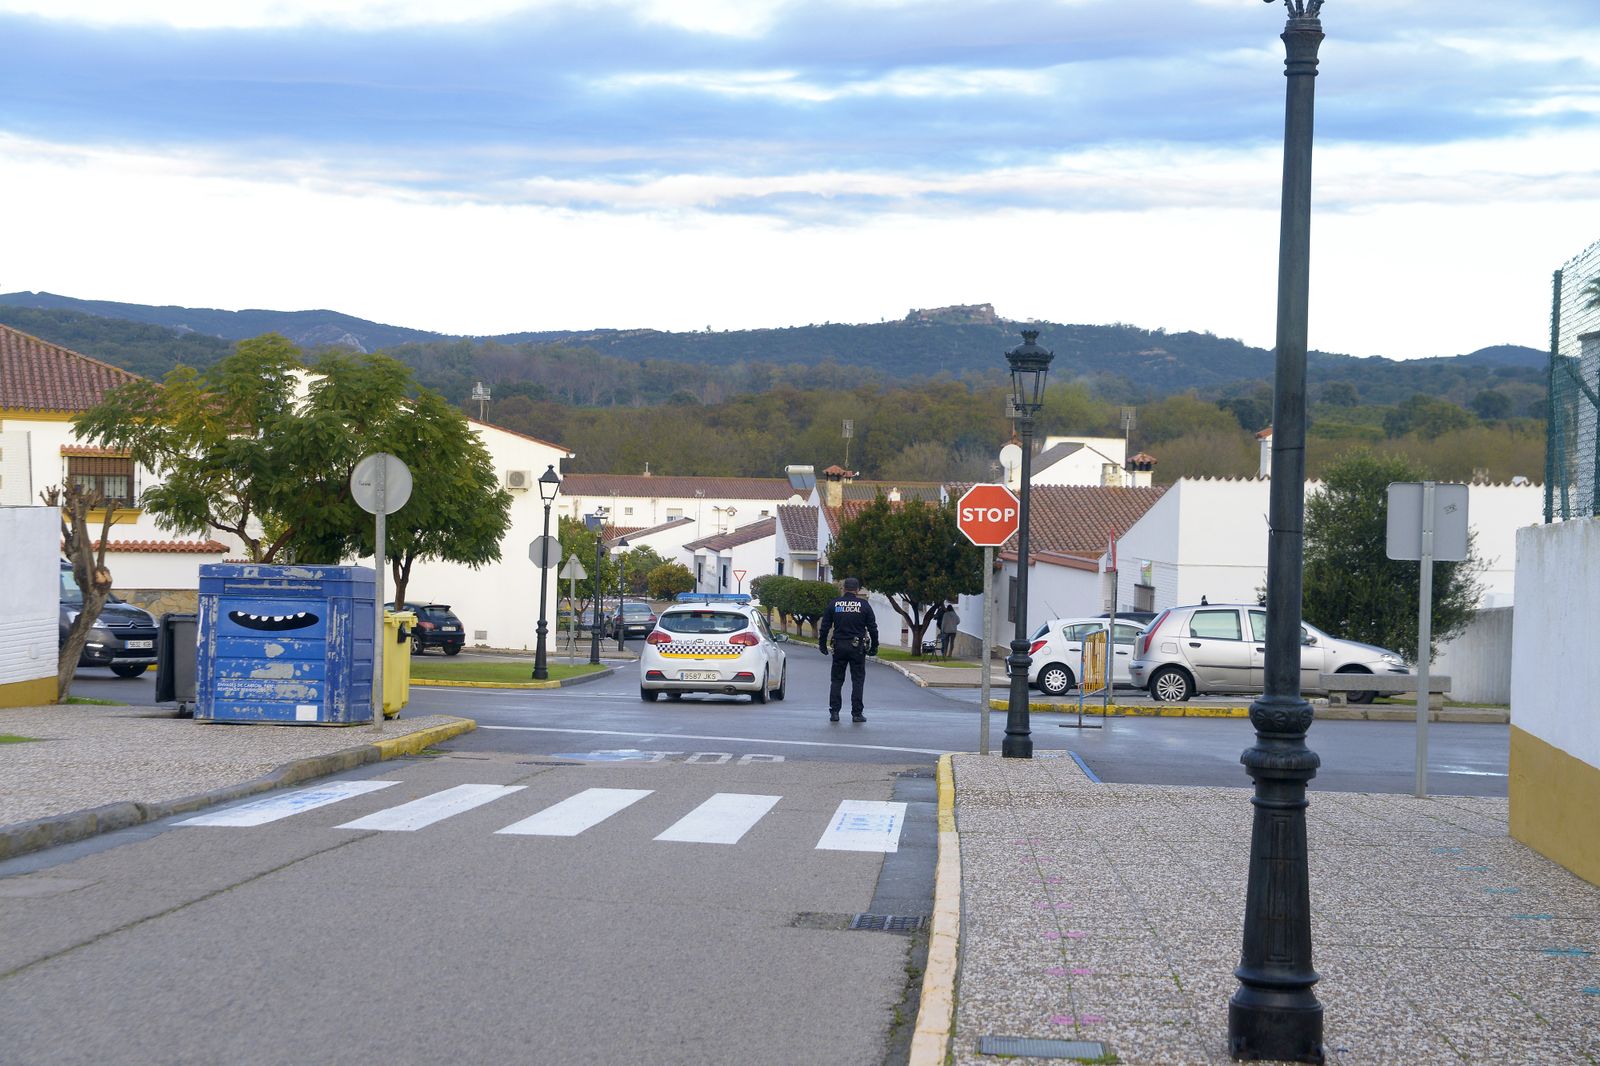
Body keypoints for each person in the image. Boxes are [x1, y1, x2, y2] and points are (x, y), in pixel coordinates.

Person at [818, 576, 878, 722]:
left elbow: (825, 626)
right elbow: (872, 627)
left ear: (844, 588)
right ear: (857, 590)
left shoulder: (834, 604)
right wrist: (875, 646)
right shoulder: (864, 605)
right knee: (857, 680)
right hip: (857, 647)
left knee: (837, 680)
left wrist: (822, 644)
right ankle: (856, 714)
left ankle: (834, 713)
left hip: (839, 646)